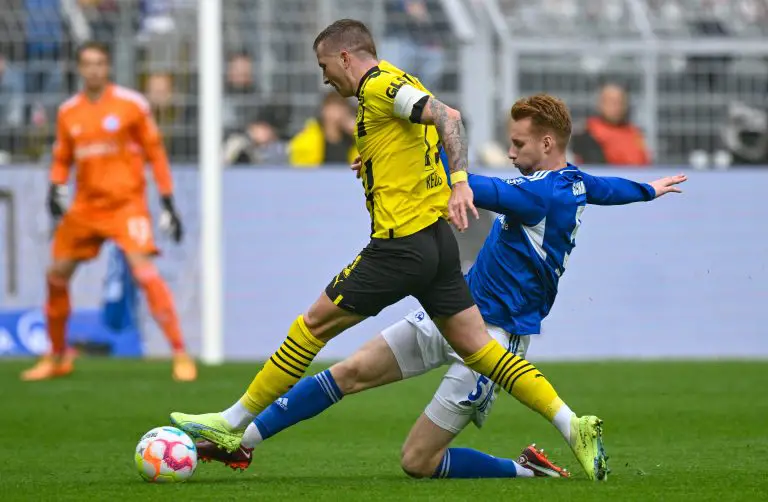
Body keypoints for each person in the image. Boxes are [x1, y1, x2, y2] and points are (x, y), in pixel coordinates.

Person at [171, 20, 606, 481]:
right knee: (442, 357)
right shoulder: (399, 83)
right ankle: (571, 423)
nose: (324, 78)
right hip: (437, 247)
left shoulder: (379, 85)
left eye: (324, 66)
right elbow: (420, 134)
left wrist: (459, 181)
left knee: (313, 325)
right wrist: (377, 155)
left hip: (402, 247)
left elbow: (448, 117)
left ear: (344, 58)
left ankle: (231, 422)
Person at [193, 95, 687, 479]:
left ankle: (527, 470)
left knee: (417, 461)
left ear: (548, 145)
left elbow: (474, 186)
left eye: (518, 144)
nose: (511, 151)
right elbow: (609, 189)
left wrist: (398, 171)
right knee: (349, 372)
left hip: (497, 336)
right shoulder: (574, 182)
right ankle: (243, 441)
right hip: (454, 308)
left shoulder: (535, 193)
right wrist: (649, 189)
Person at [20, 41, 197, 382]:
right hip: (85, 208)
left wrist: (167, 200)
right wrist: (56, 186)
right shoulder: (68, 111)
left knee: (145, 273)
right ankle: (56, 357)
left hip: (126, 205)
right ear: (79, 68)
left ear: (108, 67)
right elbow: (62, 158)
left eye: (100, 63)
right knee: (55, 275)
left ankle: (180, 353)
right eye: (88, 63)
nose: (94, 69)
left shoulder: (131, 105)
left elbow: (155, 153)